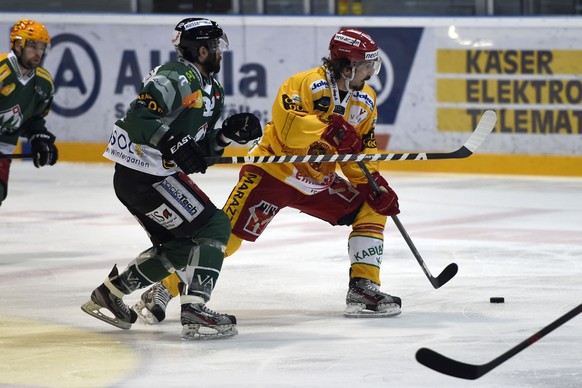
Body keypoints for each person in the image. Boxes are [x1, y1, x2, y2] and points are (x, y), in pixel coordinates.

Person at [134, 27, 402, 322]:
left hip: (318, 182)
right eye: (366, 65)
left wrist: (372, 183)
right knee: (225, 238)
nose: (371, 72)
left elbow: (360, 154)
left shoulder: (366, 100)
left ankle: (363, 286)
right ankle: (163, 289)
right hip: (272, 174)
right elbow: (288, 129)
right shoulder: (305, 84)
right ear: (349, 66)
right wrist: (326, 128)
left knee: (373, 205)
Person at [80, 17, 262, 340]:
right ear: (202, 50)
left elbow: (196, 151)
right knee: (216, 226)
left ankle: (111, 293)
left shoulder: (212, 91)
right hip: (143, 173)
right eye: (216, 46)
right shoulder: (177, 76)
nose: (221, 51)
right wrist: (171, 142)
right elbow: (139, 117)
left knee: (178, 249)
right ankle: (195, 308)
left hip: (149, 176)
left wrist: (225, 136)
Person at [0, 19, 58, 206]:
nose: (38, 52)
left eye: (42, 47)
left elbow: (32, 119)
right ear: (17, 45)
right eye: (33, 45)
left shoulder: (44, 83)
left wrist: (38, 137)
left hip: (3, 148)